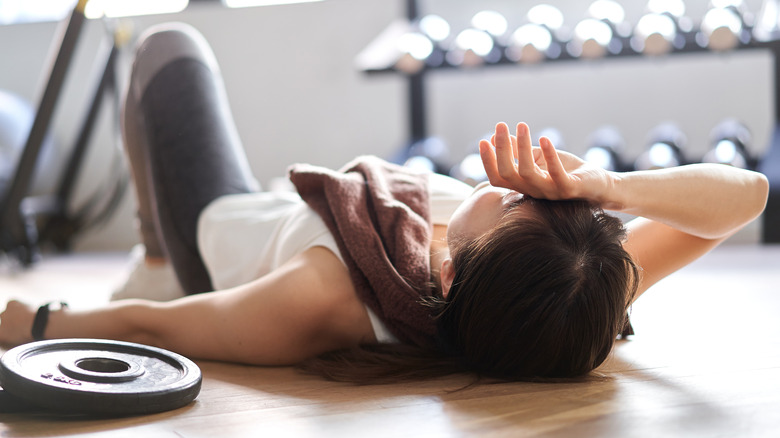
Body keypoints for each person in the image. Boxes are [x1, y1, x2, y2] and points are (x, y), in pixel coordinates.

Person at [0, 23, 769, 383]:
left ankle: (158, 250)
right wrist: (603, 189)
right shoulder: (571, 294)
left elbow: (150, 326)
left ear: (454, 272)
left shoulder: (323, 299)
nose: (511, 187)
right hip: (293, 213)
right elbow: (748, 197)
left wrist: (34, 323)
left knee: (168, 49)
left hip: (219, 230)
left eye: (510, 207)